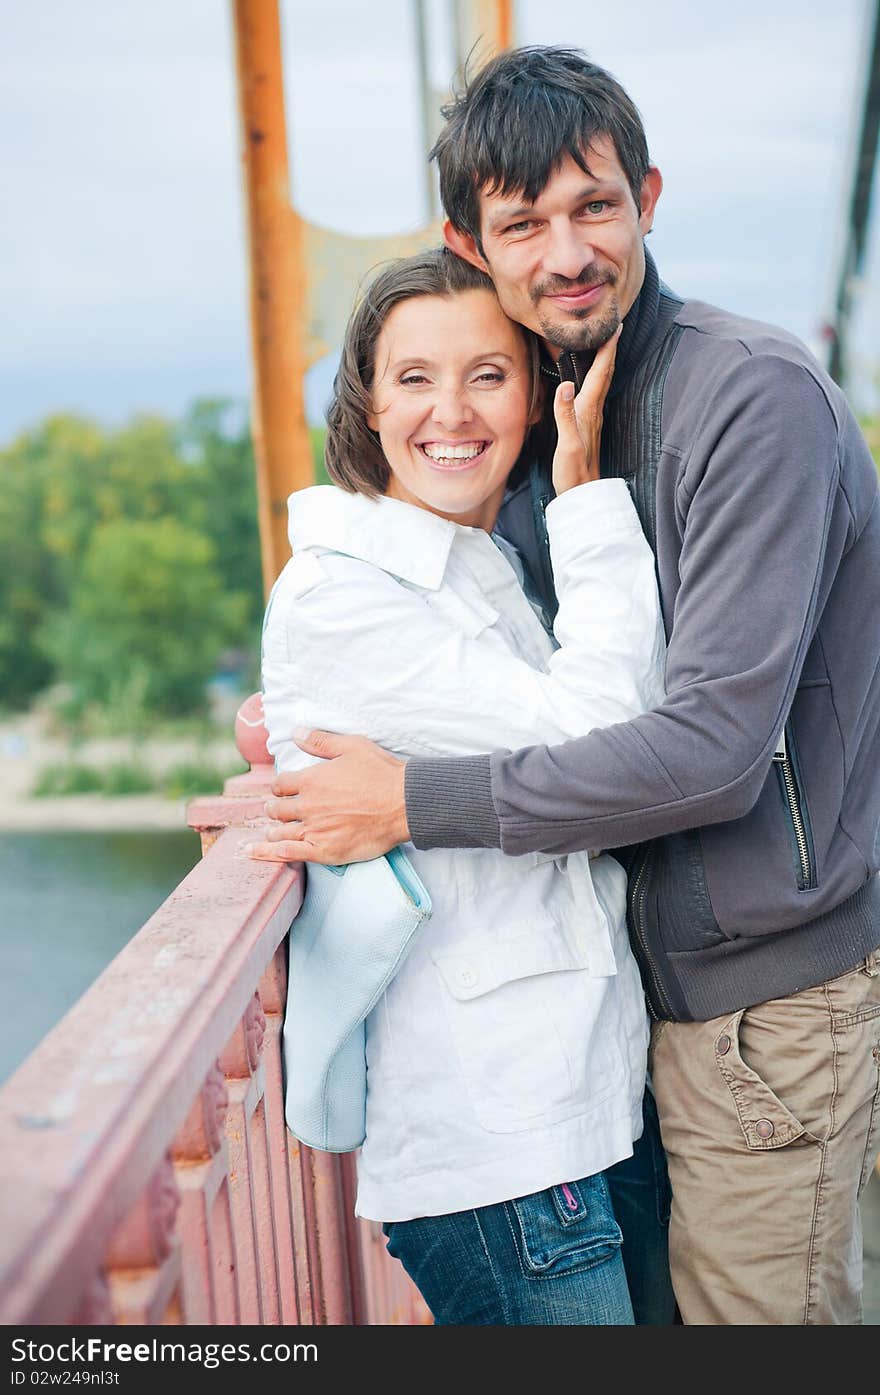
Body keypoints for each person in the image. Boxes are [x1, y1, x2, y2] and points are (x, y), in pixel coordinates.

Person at [250, 47, 880, 1325]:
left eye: (593, 206)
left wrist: (411, 800)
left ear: (647, 195)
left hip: (772, 1000)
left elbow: (703, 749)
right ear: (469, 244)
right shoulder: (543, 422)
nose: (565, 251)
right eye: (521, 222)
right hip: (646, 1023)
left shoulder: (741, 401)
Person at [255, 247, 676, 1325]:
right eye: (413, 378)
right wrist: (585, 504)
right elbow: (604, 739)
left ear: (535, 396)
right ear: (366, 401)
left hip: (585, 1107)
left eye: (488, 374)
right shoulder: (343, 596)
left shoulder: (473, 564)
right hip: (499, 1150)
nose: (452, 410)